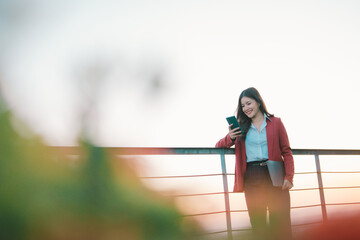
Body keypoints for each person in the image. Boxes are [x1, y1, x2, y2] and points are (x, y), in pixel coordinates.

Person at [215, 87, 294, 240]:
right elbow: (218, 146)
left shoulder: (276, 123)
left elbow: (286, 151)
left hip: (275, 175)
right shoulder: (240, 127)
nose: (246, 108)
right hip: (252, 177)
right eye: (242, 106)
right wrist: (230, 137)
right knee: (258, 224)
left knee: (281, 223)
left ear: (258, 102)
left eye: (248, 103)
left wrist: (289, 177)